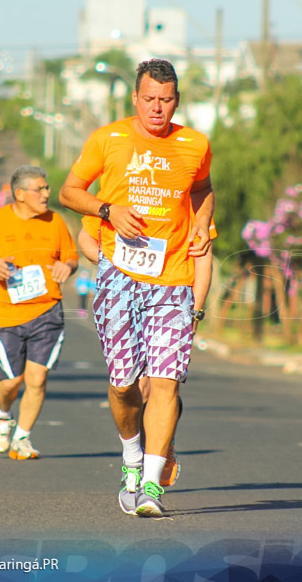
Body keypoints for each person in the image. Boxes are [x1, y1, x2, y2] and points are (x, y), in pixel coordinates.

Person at [59, 58, 214, 518]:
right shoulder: (108, 138)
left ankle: (150, 485)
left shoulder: (195, 144)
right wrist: (107, 210)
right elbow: (69, 192)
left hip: (172, 280)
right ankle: (131, 458)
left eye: (166, 100)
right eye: (149, 99)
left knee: (165, 382)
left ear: (177, 101)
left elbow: (203, 189)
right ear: (135, 98)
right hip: (119, 275)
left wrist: (202, 223)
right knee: (124, 383)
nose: (157, 109)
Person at [77, 214, 217, 489]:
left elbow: (203, 255)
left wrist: (196, 312)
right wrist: (112, 262)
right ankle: (138, 454)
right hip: (125, 295)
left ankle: (162, 450)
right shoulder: (127, 189)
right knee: (133, 387)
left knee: (163, 383)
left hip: (169, 297)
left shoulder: (190, 201)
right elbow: (86, 235)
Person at [0, 165, 78, 461]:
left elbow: (70, 255)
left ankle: (23, 438)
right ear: (20, 194)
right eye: (39, 189)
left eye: (46, 188)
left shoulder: (55, 221)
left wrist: (66, 266)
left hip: (48, 312)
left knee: (37, 378)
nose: (46, 193)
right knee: (9, 383)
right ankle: (3, 415)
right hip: (8, 315)